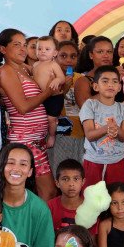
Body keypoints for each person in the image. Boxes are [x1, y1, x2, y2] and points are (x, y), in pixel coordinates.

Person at [0, 28, 57, 200]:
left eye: (24, 45)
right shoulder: (6, 71)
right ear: (3, 49)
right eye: (17, 45)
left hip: (36, 141)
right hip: (25, 141)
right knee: (48, 192)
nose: (23, 49)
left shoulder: (25, 69)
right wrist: (48, 91)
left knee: (40, 192)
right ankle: (44, 227)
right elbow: (22, 107)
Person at [80, 65, 124, 187]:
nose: (110, 84)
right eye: (105, 81)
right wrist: (107, 128)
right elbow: (89, 135)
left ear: (119, 87)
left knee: (114, 197)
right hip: (93, 161)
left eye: (115, 81)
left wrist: (116, 130)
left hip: (117, 162)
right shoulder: (90, 105)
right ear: (95, 86)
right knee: (91, 199)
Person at [51, 40, 85, 171]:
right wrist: (64, 88)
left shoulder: (82, 79)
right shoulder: (51, 78)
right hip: (60, 135)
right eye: (63, 56)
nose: (68, 60)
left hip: (80, 133)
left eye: (73, 56)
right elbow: (50, 108)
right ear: (55, 56)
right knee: (60, 172)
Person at [33, 36, 65, 143]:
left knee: (51, 119)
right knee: (42, 119)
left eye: (47, 49)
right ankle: (42, 136)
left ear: (55, 53)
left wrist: (57, 80)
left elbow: (62, 78)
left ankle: (52, 136)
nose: (42, 51)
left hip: (54, 98)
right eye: (39, 48)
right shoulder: (35, 64)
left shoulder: (53, 65)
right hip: (41, 98)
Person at [49, 159, 94, 231]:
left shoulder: (90, 209)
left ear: (83, 182)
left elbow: (92, 240)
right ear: (57, 183)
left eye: (76, 179)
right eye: (65, 179)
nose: (71, 184)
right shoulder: (50, 207)